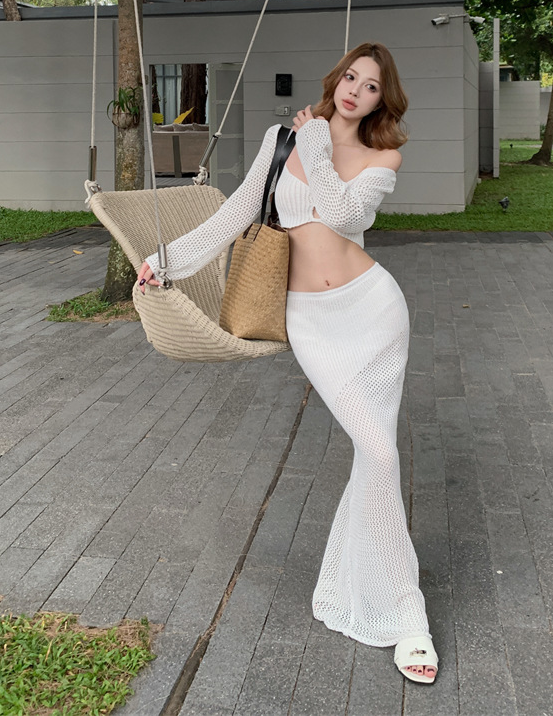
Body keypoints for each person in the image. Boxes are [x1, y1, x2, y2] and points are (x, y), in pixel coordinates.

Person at [138, 42, 438, 684]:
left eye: (372, 86)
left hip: (374, 312)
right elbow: (233, 217)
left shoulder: (383, 157)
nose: (356, 90)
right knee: (378, 454)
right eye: (351, 77)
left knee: (378, 456)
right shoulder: (280, 140)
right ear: (336, 78)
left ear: (383, 100)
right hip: (313, 324)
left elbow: (347, 214)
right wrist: (165, 262)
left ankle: (404, 614)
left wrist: (320, 148)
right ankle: (378, 593)